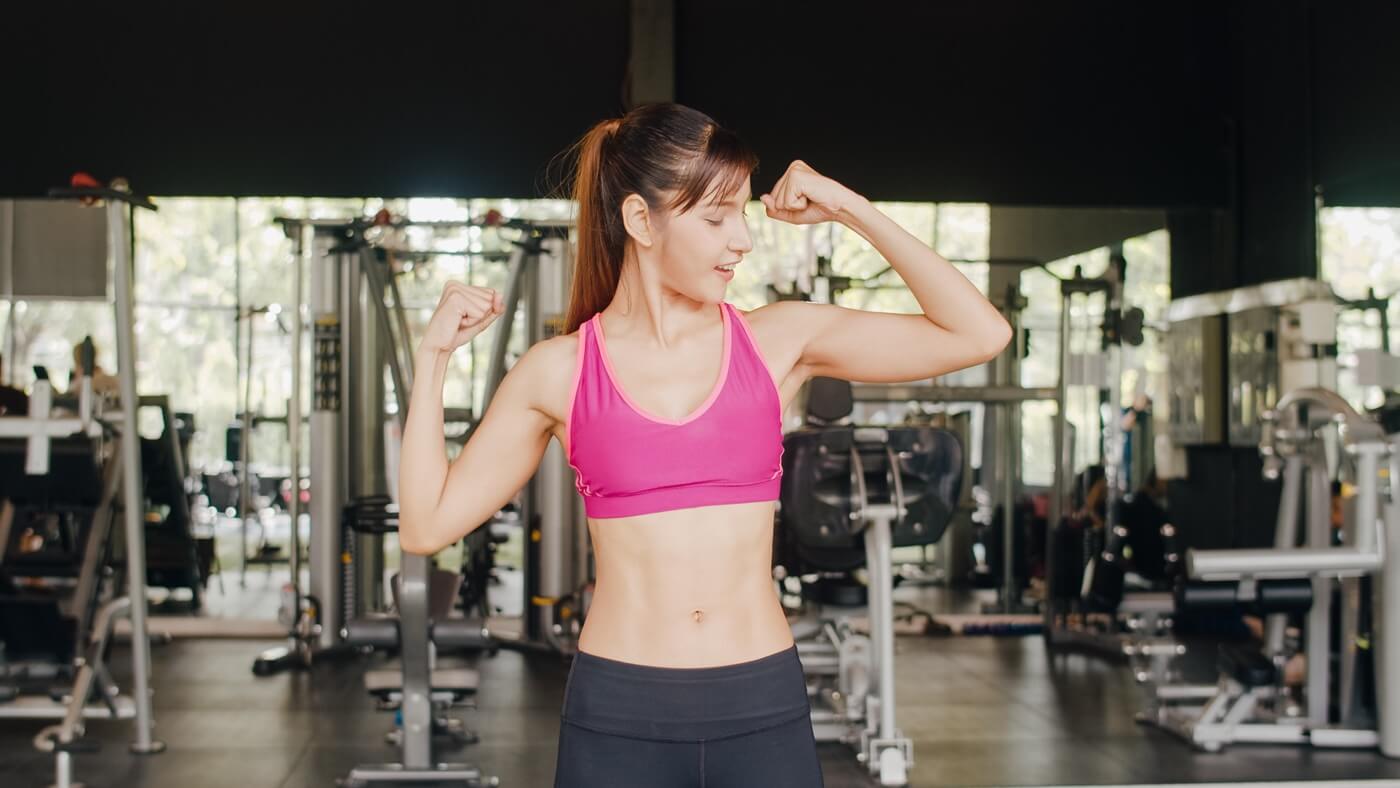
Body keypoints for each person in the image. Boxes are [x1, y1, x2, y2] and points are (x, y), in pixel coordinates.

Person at [398, 103, 1012, 788]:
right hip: (619, 713)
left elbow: (979, 335)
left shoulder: (778, 341)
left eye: (743, 213)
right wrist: (433, 359)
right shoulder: (560, 369)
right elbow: (427, 525)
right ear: (640, 222)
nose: (742, 239)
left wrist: (846, 207)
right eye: (717, 217)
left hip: (760, 704)